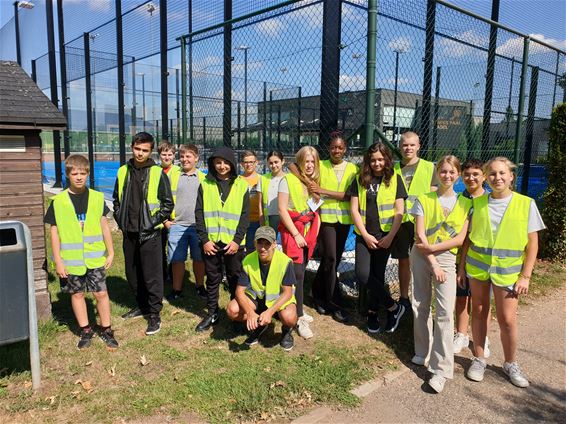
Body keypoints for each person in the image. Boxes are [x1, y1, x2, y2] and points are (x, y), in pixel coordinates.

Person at [460, 157, 545, 388]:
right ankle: (479, 359)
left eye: (502, 173)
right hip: (478, 267)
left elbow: (533, 244)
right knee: (478, 311)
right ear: (486, 177)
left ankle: (510, 363)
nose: (497, 178)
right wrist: (461, 267)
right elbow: (467, 239)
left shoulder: (526, 204)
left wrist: (525, 276)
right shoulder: (476, 204)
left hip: (508, 272)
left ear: (511, 177)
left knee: (507, 320)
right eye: (493, 174)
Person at [410, 155, 472, 393]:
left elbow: (459, 238)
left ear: (458, 175)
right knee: (420, 303)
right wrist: (432, 262)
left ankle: (441, 369)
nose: (447, 176)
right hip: (421, 255)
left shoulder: (466, 204)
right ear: (438, 172)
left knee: (445, 312)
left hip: (445, 258)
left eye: (451, 172)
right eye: (443, 171)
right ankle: (421, 351)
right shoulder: (423, 199)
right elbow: (420, 236)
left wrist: (436, 258)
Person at [45, 154, 117, 349]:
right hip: (71, 261)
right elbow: (54, 233)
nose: (78, 177)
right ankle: (86, 330)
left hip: (95, 259)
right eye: (74, 173)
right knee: (77, 294)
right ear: (67, 174)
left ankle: (106, 329)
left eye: (82, 173)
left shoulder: (96, 197)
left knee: (101, 294)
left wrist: (110, 252)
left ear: (87, 174)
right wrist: (58, 260)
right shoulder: (58, 202)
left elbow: (104, 227)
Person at [113, 132, 173, 336]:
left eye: (145, 150)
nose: (140, 153)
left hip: (149, 233)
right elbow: (116, 199)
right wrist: (120, 218)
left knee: (152, 275)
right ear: (132, 147)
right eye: (137, 149)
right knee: (132, 273)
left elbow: (167, 205)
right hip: (129, 231)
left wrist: (151, 223)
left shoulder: (157, 173)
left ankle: (155, 314)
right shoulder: (123, 171)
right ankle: (142, 306)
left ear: (150, 151)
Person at [349, 142, 406, 334]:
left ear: (387, 159)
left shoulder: (395, 179)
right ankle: (393, 307)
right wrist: (364, 235)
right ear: (368, 161)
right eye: (373, 160)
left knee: (378, 275)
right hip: (363, 235)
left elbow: (400, 210)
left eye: (381, 159)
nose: (377, 163)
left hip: (385, 236)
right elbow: (354, 210)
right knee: (363, 274)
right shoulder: (360, 179)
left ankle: (373, 313)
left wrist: (390, 236)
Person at [194, 147, 249, 332]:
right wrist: (204, 240)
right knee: (212, 278)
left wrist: (236, 240)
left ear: (232, 164)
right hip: (211, 241)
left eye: (226, 162)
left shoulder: (241, 185)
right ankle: (212, 313)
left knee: (235, 277)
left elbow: (244, 216)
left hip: (233, 243)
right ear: (212, 164)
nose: (222, 166)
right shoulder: (205, 184)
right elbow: (199, 213)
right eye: (218, 162)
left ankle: (238, 312)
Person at [309, 132, 358, 322]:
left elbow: (348, 196)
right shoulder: (320, 165)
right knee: (329, 257)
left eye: (340, 147)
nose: (336, 150)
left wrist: (324, 191)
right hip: (326, 219)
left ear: (345, 149)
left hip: (344, 220)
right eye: (333, 147)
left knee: (333, 261)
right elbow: (296, 168)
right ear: (328, 149)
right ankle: (334, 302)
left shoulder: (353, 168)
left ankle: (317, 292)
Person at [227, 226, 298, 351]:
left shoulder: (285, 261)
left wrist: (270, 312)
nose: (263, 248)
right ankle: (258, 323)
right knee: (232, 310)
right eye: (260, 243)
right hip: (256, 299)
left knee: (290, 318)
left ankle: (286, 331)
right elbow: (239, 291)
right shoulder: (248, 260)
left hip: (278, 301)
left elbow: (287, 293)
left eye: (267, 244)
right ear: (255, 243)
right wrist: (250, 313)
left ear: (275, 244)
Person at [278, 146, 321, 339]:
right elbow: (282, 210)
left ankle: (299, 307)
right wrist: (296, 234)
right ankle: (298, 317)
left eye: (313, 161)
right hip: (294, 233)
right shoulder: (287, 180)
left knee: (301, 270)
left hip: (308, 232)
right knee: (298, 275)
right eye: (306, 161)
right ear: (300, 162)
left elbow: (315, 209)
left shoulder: (313, 182)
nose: (310, 165)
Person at [392, 131, 436, 309]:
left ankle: (423, 297)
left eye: (412, 145)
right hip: (401, 220)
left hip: (421, 221)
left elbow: (434, 193)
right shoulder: (393, 169)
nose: (408, 148)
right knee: (403, 259)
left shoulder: (429, 167)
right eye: (404, 145)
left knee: (423, 259)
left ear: (418, 146)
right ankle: (404, 298)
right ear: (399, 147)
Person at [453, 159, 490, 356]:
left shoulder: (490, 201)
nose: (471, 178)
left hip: (483, 261)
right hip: (462, 258)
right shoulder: (459, 200)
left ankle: (482, 337)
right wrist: (460, 266)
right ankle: (461, 334)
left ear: (484, 176)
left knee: (481, 302)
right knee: (461, 298)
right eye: (467, 174)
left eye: (476, 174)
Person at [164, 144, 206, 302]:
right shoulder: (172, 176)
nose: (184, 159)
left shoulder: (203, 178)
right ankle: (176, 289)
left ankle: (200, 286)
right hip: (177, 225)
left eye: (188, 156)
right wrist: (166, 221)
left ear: (196, 158)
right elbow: (163, 199)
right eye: (182, 156)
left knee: (199, 258)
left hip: (197, 226)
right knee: (177, 259)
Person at [158, 141, 179, 284]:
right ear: (159, 155)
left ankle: (173, 275)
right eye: (164, 154)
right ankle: (161, 274)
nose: (166, 157)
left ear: (174, 156)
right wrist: (164, 220)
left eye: (169, 154)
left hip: (175, 219)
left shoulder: (179, 172)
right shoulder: (154, 171)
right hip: (159, 218)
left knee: (173, 249)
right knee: (159, 249)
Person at [258, 150, 286, 233]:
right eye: (271, 163)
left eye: (276, 162)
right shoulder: (263, 179)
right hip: (269, 218)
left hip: (286, 217)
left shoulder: (289, 178)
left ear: (283, 161)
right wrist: (262, 223)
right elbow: (260, 204)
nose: (274, 165)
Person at [241, 150, 261, 253]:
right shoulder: (238, 180)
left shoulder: (261, 179)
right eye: (246, 162)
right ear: (241, 164)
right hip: (241, 220)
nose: (248, 165)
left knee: (252, 248)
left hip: (256, 220)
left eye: (251, 162)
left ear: (256, 163)